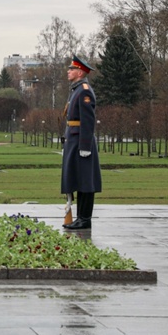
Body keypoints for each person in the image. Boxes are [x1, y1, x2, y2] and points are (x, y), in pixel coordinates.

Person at [61, 55, 102, 230]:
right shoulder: (76, 90)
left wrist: (85, 146)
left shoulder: (84, 90)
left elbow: (87, 120)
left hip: (81, 142)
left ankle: (85, 218)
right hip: (74, 139)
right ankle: (80, 217)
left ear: (79, 72)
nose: (68, 71)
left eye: (71, 69)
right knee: (78, 179)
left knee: (85, 181)